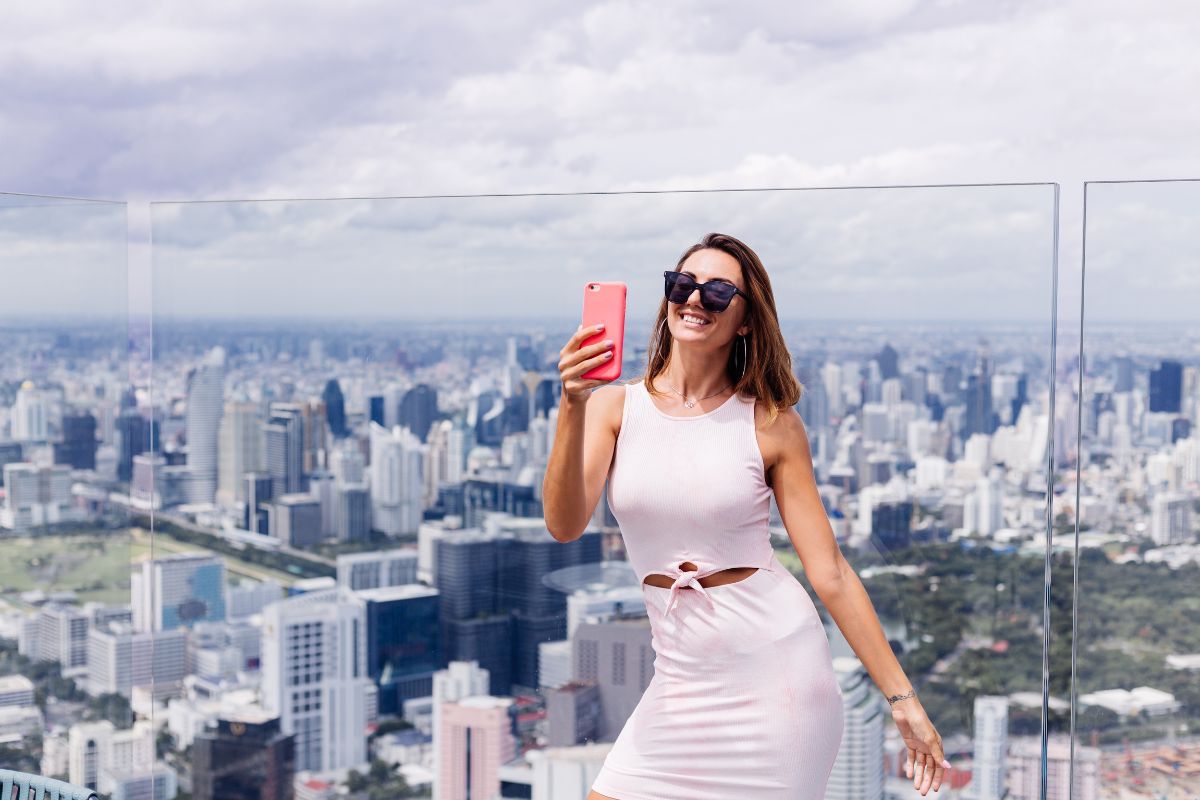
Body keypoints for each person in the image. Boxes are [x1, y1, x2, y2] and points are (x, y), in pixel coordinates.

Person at [543, 232, 951, 798]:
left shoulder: (770, 422)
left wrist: (903, 701)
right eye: (682, 285)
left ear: (746, 321)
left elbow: (829, 570)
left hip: (776, 675)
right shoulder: (615, 407)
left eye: (716, 292)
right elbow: (563, 524)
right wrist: (572, 404)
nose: (693, 299)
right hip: (680, 679)